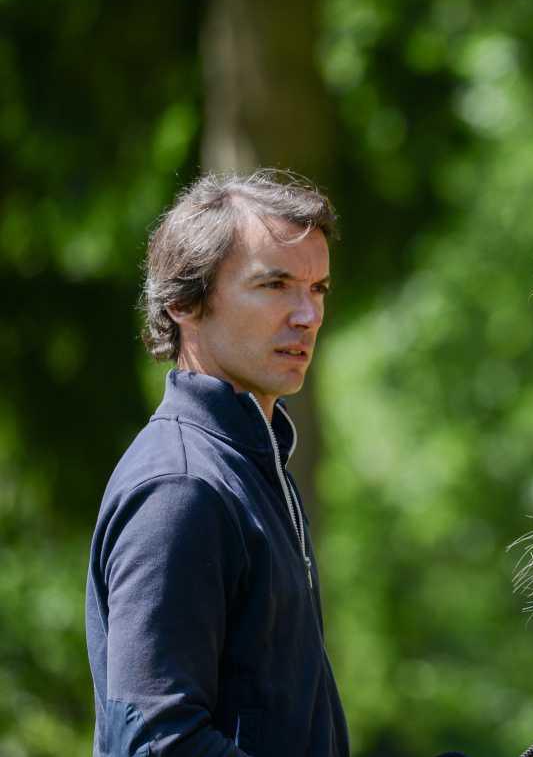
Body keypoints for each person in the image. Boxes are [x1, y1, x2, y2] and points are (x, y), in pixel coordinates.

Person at [85, 170, 349, 756]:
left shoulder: (253, 467)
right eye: (275, 284)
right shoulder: (181, 487)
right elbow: (154, 743)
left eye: (319, 288)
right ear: (184, 302)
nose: (307, 316)